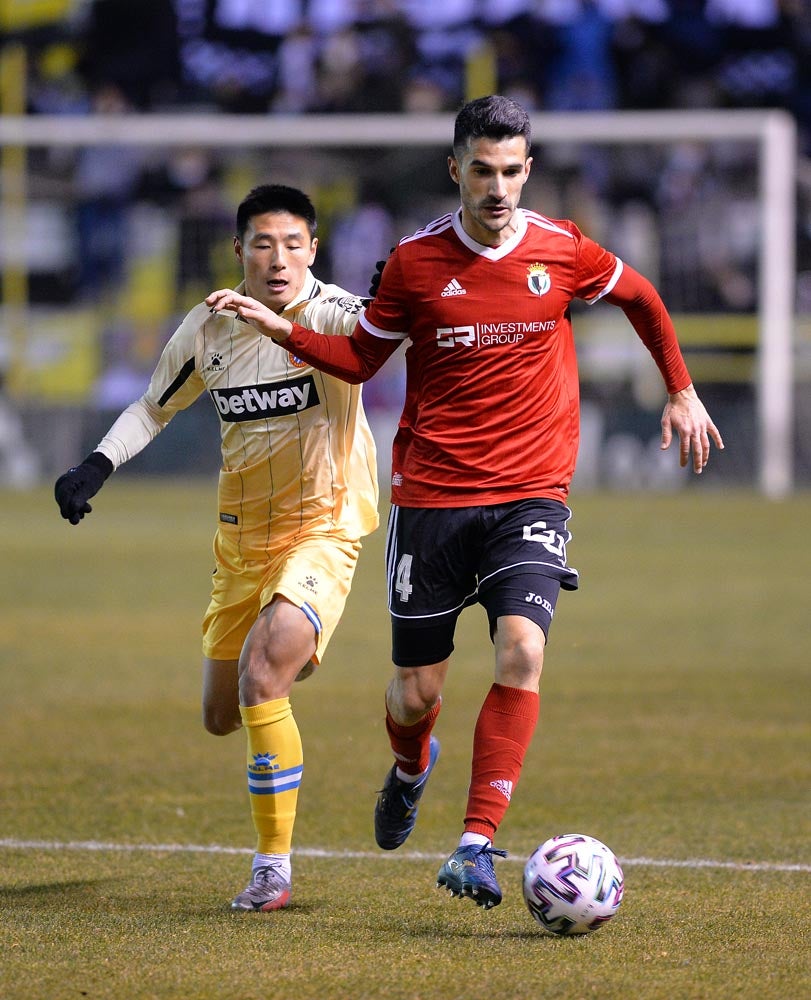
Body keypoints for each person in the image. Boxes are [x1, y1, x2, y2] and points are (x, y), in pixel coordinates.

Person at [206, 96, 724, 911]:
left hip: (530, 495)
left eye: (511, 170)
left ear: (527, 170)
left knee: (522, 649)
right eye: (481, 170)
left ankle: (476, 842)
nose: (497, 186)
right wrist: (280, 328)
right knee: (415, 690)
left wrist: (681, 390)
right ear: (456, 169)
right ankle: (412, 766)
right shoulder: (413, 263)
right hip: (433, 499)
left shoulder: (562, 249)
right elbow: (360, 360)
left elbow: (641, 297)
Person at [55, 184, 379, 912]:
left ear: (314, 251)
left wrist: (398, 302)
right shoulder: (210, 325)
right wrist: (95, 465)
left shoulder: (331, 312)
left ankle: (273, 869)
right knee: (221, 713)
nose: (278, 258)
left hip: (323, 529)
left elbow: (376, 346)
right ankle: (279, 658)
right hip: (242, 542)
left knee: (264, 677)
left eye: (293, 244)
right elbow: (152, 407)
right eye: (263, 244)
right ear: (239, 251)